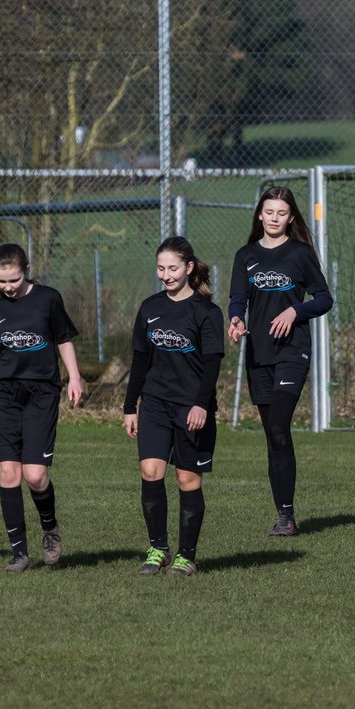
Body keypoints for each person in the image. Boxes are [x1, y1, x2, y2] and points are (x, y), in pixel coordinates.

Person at [0, 244, 83, 572]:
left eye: (13, 279)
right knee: (8, 472)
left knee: (35, 475)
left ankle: (49, 527)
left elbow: (63, 340)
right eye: (0, 281)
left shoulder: (48, 299)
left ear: (26, 269)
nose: (7, 287)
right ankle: (19, 552)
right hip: (2, 394)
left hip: (41, 393)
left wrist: (74, 377)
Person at [227, 187, 334, 537]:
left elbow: (323, 299)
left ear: (291, 218)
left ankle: (286, 517)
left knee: (278, 427)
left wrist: (295, 310)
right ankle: (283, 513)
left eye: (281, 213)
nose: (274, 218)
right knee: (273, 435)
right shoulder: (245, 256)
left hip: (293, 352)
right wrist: (236, 319)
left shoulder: (301, 254)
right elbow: (238, 299)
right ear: (260, 215)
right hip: (259, 355)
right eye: (269, 212)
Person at [123, 236, 225, 577]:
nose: (166, 275)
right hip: (154, 403)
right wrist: (129, 406)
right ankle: (157, 550)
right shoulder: (150, 308)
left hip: (191, 408)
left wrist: (200, 405)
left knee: (186, 479)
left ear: (189, 268)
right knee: (150, 472)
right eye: (161, 268)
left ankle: (187, 557)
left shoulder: (207, 312)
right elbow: (140, 360)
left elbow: (211, 364)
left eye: (173, 268)